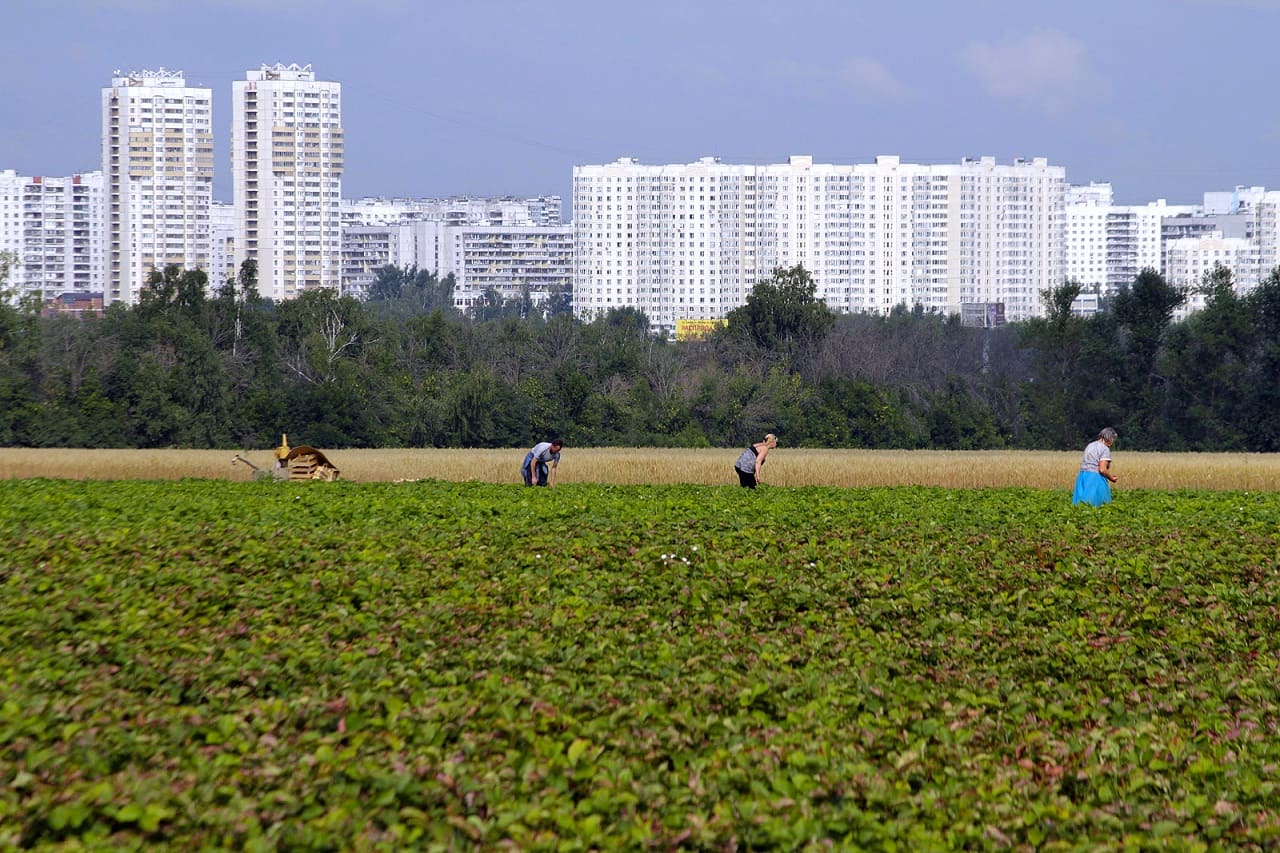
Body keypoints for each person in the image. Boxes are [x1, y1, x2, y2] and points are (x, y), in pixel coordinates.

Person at [1072, 427, 1118, 506]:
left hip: (1083, 476)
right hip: (1095, 478)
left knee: (1081, 504)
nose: (1113, 442)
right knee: (1097, 504)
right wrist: (1112, 478)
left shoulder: (1090, 445)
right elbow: (1102, 469)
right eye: (1113, 439)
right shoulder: (1104, 449)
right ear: (1109, 438)